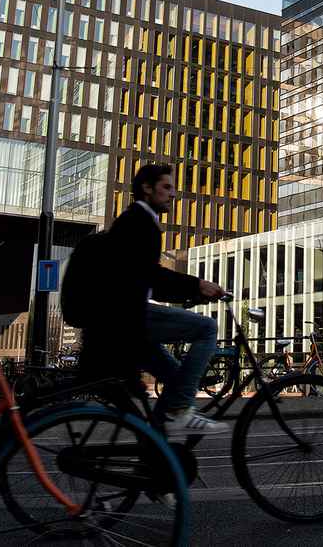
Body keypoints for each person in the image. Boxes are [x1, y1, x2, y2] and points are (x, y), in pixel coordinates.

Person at [78, 162, 228, 434]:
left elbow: (147, 281)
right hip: (127, 318)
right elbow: (149, 275)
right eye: (167, 187)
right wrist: (198, 285)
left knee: (176, 378)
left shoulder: (136, 221)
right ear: (147, 189)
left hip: (122, 320)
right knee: (207, 328)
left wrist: (195, 293)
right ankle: (179, 411)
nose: (173, 194)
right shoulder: (140, 222)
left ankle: (154, 452)